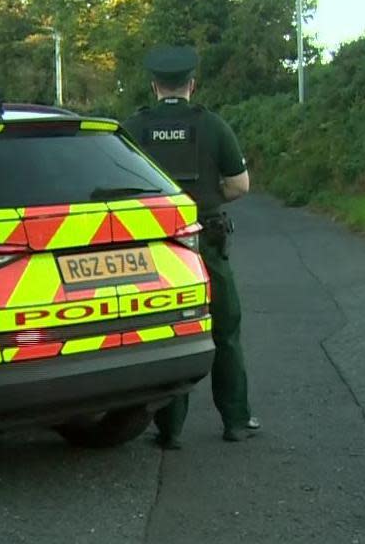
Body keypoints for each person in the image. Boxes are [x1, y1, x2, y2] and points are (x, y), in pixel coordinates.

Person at [122, 45, 260, 447]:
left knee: (169, 331)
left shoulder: (133, 129)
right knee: (225, 330)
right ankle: (235, 421)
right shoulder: (212, 126)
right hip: (206, 242)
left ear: (153, 86)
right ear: (192, 85)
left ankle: (170, 430)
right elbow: (240, 185)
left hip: (155, 248)